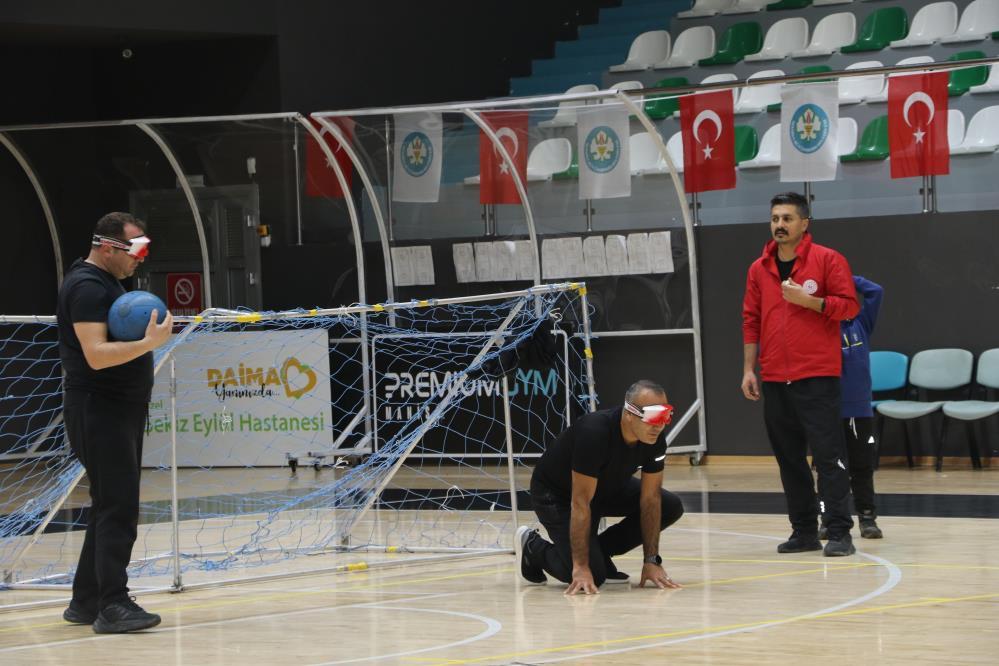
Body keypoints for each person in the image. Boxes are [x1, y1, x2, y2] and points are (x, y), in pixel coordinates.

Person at [56, 212, 173, 633]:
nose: (142, 258)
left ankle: (85, 601)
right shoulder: (87, 287)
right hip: (97, 408)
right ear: (109, 246)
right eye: (137, 249)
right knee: (119, 505)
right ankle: (113, 605)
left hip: (118, 408)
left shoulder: (109, 283)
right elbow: (96, 354)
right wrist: (149, 343)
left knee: (110, 501)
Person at [741, 193, 860, 557]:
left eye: (788, 218)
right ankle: (804, 531)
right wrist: (749, 368)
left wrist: (811, 302)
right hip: (775, 378)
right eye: (775, 218)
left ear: (804, 223)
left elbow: (849, 307)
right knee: (789, 460)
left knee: (828, 457)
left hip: (817, 376)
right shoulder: (758, 268)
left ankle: (839, 531)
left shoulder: (827, 260)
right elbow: (751, 319)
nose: (780, 224)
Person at [515, 380, 685, 594]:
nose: (659, 425)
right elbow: (580, 502)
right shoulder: (594, 433)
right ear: (630, 413)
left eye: (665, 415)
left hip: (606, 487)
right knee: (592, 575)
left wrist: (651, 559)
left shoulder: (654, 440)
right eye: (653, 416)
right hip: (558, 495)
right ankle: (534, 547)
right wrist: (581, 567)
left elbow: (650, 499)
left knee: (670, 506)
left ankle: (599, 552)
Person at [819, 276, 885, 540]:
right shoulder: (819, 327)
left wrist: (846, 278)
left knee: (862, 465)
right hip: (827, 410)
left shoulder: (861, 324)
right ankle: (828, 518)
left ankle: (867, 518)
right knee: (828, 468)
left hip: (859, 411)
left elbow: (875, 290)